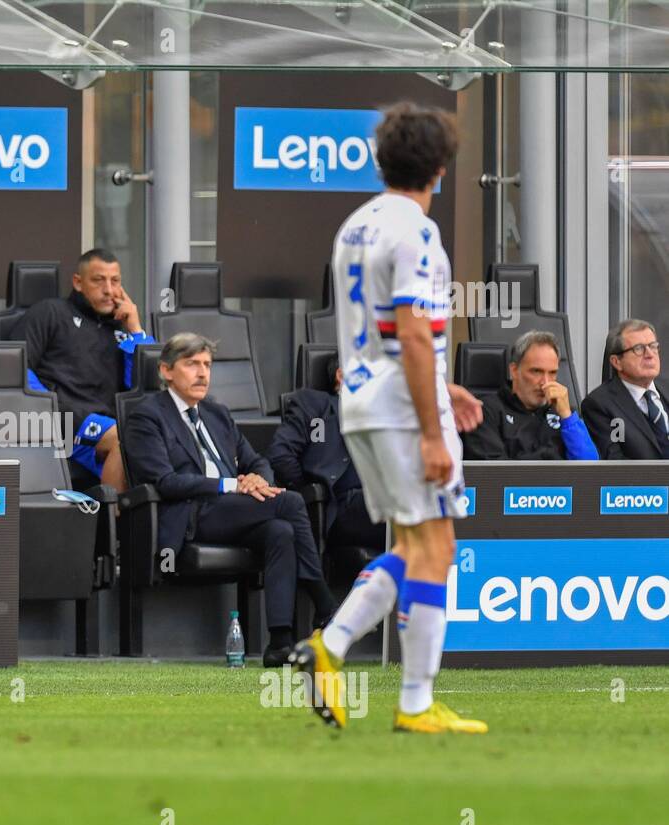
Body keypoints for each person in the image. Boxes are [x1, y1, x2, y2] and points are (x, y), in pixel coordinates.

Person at [292, 102, 488, 734]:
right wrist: (435, 428)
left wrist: (443, 384)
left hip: (363, 405)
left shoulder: (355, 225)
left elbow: (385, 335)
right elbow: (409, 328)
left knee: (411, 544)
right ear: (440, 167)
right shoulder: (417, 233)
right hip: (405, 412)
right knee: (437, 546)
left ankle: (331, 645)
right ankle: (414, 703)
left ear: (381, 161)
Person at [124, 332, 338, 666]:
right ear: (166, 371)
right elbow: (164, 482)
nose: (202, 373)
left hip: (232, 512)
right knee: (292, 503)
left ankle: (279, 642)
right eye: (192, 364)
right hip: (191, 515)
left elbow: (258, 461)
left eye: (207, 365)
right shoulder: (147, 415)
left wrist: (257, 480)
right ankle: (325, 606)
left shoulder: (216, 413)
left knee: (280, 531)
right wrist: (229, 485)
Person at [20, 248, 154, 492]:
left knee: (164, 435)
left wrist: (136, 330)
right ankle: (117, 522)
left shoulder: (121, 327)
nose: (109, 290)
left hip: (110, 420)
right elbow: (18, 369)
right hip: (64, 419)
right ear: (78, 283)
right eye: (98, 280)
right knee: (125, 439)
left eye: (115, 281)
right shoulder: (50, 312)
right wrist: (48, 408)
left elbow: (146, 384)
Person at [267, 357, 385, 554]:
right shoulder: (317, 409)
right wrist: (312, 493)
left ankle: (448, 582)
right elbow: (281, 455)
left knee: (442, 504)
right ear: (341, 375)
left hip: (385, 496)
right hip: (341, 504)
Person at [463, 330, 598, 461]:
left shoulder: (564, 414)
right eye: (536, 371)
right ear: (514, 370)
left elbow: (590, 468)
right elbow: (494, 474)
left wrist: (567, 417)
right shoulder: (486, 412)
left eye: (552, 373)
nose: (545, 382)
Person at [580, 319, 669, 460]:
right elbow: (617, 466)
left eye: (653, 346)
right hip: (644, 481)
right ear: (617, 362)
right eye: (639, 349)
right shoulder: (598, 405)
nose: (650, 354)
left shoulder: (665, 390)